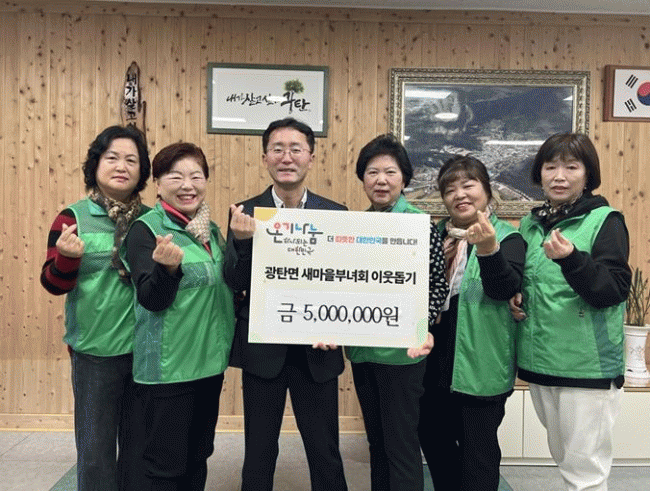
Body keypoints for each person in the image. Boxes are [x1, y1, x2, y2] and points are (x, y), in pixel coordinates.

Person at [223, 117, 348, 491]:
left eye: (296, 149)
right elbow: (234, 282)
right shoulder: (244, 213)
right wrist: (243, 243)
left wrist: (338, 326)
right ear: (265, 158)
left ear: (311, 157)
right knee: (259, 450)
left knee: (325, 451)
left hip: (318, 348)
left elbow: (345, 285)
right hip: (264, 349)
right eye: (277, 149)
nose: (286, 157)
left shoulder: (336, 214)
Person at [511, 132, 631, 491]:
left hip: (586, 367)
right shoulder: (532, 224)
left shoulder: (605, 220)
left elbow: (612, 290)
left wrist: (571, 259)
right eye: (550, 167)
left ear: (587, 174)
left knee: (585, 473)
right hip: (541, 362)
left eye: (571, 167)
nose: (559, 176)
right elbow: (533, 280)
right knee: (566, 460)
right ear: (539, 173)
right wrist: (517, 296)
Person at [40, 125, 151, 491]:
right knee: (95, 452)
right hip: (95, 353)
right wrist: (66, 259)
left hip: (148, 351)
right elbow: (52, 284)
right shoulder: (71, 218)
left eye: (131, 160)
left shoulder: (153, 220)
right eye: (112, 157)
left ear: (142, 170)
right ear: (96, 164)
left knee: (139, 449)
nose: (122, 166)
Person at [123, 142, 235, 490]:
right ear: (157, 184)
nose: (188, 185)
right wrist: (167, 270)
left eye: (196, 176)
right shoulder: (145, 230)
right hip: (168, 370)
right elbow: (151, 299)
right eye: (176, 177)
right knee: (165, 467)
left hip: (209, 365)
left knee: (198, 456)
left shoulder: (211, 230)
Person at [345, 134, 448, 491]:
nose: (381, 180)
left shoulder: (421, 224)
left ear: (404, 178)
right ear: (362, 179)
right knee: (376, 443)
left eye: (390, 172)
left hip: (404, 353)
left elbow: (437, 286)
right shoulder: (354, 226)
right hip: (363, 350)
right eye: (372, 172)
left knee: (401, 445)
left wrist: (422, 325)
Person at [418, 155, 526, 491]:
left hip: (480, 364)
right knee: (434, 442)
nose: (460, 195)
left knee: (478, 456)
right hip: (433, 361)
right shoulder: (434, 235)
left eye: (468, 185)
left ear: (487, 191)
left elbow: (503, 289)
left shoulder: (508, 237)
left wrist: (488, 247)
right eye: (450, 189)